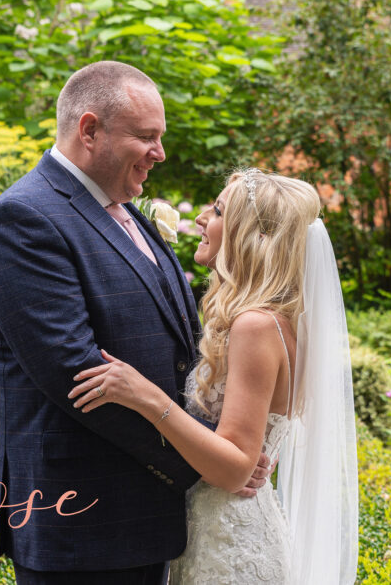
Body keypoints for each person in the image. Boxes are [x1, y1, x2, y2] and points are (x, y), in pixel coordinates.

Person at [0, 61, 269, 584]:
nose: (161, 153)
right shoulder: (24, 220)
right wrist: (208, 466)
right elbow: (80, 378)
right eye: (146, 137)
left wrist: (224, 448)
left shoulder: (128, 211)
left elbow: (179, 343)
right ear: (90, 130)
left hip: (149, 518)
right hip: (84, 523)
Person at [69, 168, 360, 584]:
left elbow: (234, 469)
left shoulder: (255, 326)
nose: (203, 218)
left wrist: (145, 395)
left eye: (219, 211)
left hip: (229, 549)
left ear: (253, 236)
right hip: (229, 529)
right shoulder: (287, 323)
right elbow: (250, 443)